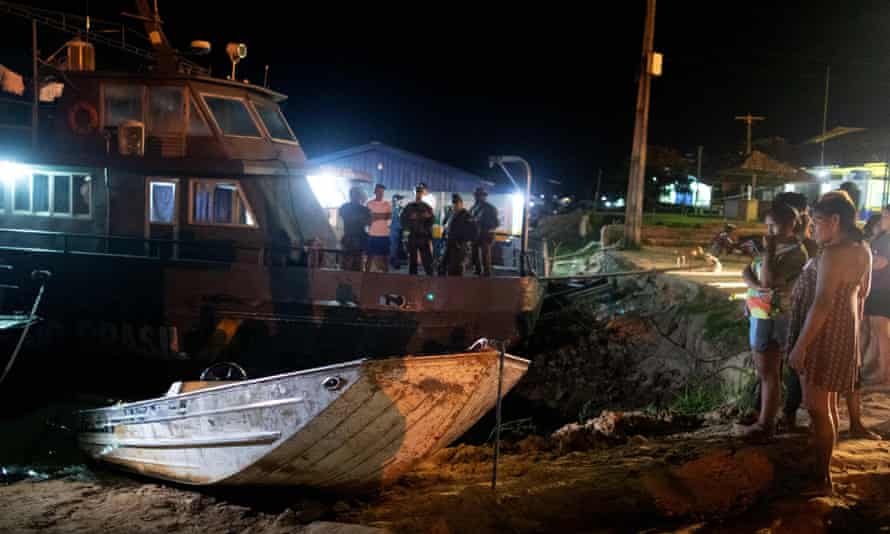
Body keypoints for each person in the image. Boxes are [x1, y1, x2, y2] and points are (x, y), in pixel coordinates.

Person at [788, 191, 873, 496]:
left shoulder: (833, 255)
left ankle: (822, 479)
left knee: (817, 409)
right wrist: (854, 340)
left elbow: (822, 303)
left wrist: (800, 345)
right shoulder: (863, 249)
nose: (813, 227)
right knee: (829, 406)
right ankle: (822, 467)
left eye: (818, 221)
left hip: (821, 334)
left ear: (835, 221)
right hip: (843, 333)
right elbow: (861, 296)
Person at [740, 202, 808, 441]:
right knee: (766, 371)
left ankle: (767, 424)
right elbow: (747, 271)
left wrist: (768, 254)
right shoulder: (774, 247)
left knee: (771, 370)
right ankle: (766, 420)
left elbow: (769, 281)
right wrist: (755, 290)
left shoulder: (795, 254)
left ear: (790, 226)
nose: (768, 232)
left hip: (777, 317)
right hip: (760, 313)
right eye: (766, 226)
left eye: (773, 226)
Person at [862, 205, 890, 388]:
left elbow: (881, 262)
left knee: (881, 332)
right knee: (875, 329)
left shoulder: (888, 239)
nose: (883, 218)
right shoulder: (883, 237)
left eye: (886, 215)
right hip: (877, 288)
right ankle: (876, 368)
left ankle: (883, 372)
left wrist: (862, 264)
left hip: (883, 288)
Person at [400, 183, 434, 275]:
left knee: (427, 262)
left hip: (424, 237)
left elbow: (432, 221)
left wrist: (428, 217)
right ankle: (412, 281)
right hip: (412, 237)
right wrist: (406, 237)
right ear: (415, 193)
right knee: (412, 262)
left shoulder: (427, 207)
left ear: (422, 193)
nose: (418, 194)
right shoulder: (408, 207)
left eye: (420, 192)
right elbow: (403, 222)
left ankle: (431, 280)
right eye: (417, 192)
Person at [441, 194, 477, 276]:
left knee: (456, 268)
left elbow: (474, 232)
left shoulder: (466, 215)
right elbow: (446, 226)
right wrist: (444, 237)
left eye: (457, 203)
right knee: (443, 266)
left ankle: (457, 286)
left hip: (459, 246)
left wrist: (463, 241)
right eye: (454, 203)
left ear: (461, 203)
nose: (455, 205)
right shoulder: (451, 214)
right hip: (449, 243)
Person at [338, 186, 370, 271]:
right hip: (358, 239)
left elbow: (342, 221)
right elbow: (368, 223)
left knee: (346, 265)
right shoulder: (365, 210)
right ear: (360, 196)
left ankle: (345, 282)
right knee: (357, 265)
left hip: (349, 238)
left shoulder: (344, 207)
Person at [470, 187, 499, 276]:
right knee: (474, 252)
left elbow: (496, 223)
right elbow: (470, 218)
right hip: (476, 234)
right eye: (476, 195)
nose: (476, 197)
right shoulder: (474, 207)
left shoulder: (490, 208)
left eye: (479, 195)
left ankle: (486, 271)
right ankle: (477, 269)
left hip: (486, 234)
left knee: (485, 254)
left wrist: (480, 223)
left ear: (484, 196)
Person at [365, 183, 392, 272]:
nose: (381, 194)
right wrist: (382, 216)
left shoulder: (387, 204)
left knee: (385, 257)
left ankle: (386, 277)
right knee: (370, 257)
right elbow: (369, 219)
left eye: (382, 192)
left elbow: (388, 217)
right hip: (372, 235)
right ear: (375, 192)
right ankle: (366, 276)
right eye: (379, 191)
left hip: (384, 235)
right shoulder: (369, 204)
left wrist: (375, 216)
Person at [389, 194, 405, 269]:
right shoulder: (391, 208)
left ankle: (396, 260)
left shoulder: (400, 208)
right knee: (393, 246)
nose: (401, 201)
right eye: (400, 200)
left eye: (401, 200)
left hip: (399, 230)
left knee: (398, 246)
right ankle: (393, 261)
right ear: (395, 200)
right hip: (393, 230)